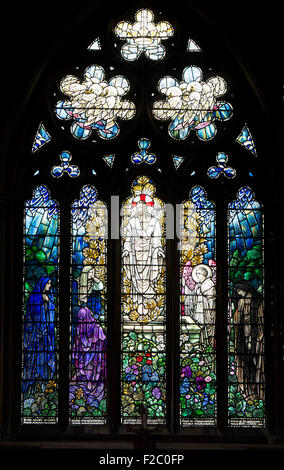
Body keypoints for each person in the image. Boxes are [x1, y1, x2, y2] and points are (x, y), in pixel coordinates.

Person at [122, 195, 165, 321]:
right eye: (138, 208)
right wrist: (126, 250)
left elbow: (157, 239)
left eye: (143, 207)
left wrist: (159, 250)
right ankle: (136, 304)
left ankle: (148, 305)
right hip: (135, 256)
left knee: (148, 279)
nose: (141, 210)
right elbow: (128, 239)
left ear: (147, 208)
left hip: (150, 255)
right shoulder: (132, 222)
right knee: (136, 279)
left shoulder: (154, 222)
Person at [71, 265, 106, 408]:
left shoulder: (94, 284)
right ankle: (83, 378)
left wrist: (95, 278)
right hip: (84, 319)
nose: (92, 273)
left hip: (92, 318)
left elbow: (101, 286)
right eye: (90, 271)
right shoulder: (77, 282)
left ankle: (90, 380)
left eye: (94, 271)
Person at [23, 276, 55, 397]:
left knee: (44, 361)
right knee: (32, 363)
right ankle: (30, 392)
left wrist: (47, 303)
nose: (50, 286)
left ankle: (44, 390)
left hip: (45, 337)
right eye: (48, 283)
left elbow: (50, 316)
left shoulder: (49, 298)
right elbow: (32, 317)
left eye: (50, 283)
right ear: (42, 284)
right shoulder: (33, 298)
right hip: (34, 337)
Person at [232, 280, 265, 402]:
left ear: (245, 288)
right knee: (246, 359)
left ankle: (258, 389)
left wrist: (260, 334)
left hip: (256, 332)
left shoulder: (258, 301)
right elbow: (237, 319)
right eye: (238, 292)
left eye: (239, 290)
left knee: (256, 359)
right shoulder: (241, 302)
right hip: (244, 332)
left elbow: (261, 318)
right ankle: (249, 389)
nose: (239, 293)